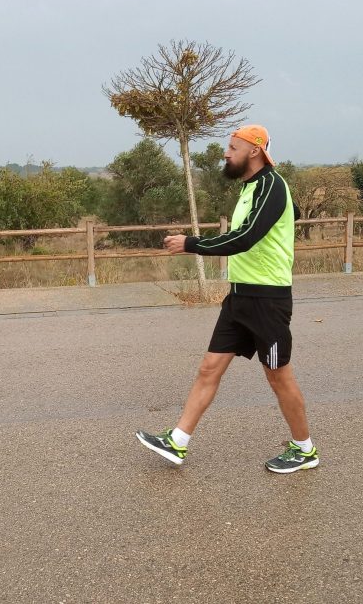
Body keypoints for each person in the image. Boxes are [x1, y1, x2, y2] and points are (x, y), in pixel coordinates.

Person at [135, 124, 318, 474]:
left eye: (232, 147)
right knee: (209, 368)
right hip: (239, 296)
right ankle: (178, 441)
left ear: (254, 150)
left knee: (279, 376)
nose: (226, 152)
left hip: (267, 299)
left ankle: (305, 449)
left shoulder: (272, 184)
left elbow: (245, 237)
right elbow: (287, 216)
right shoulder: (252, 187)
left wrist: (191, 244)